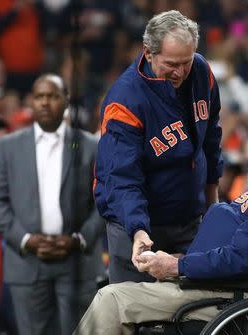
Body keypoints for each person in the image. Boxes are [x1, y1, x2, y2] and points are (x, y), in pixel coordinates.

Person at [74, 101, 248, 335]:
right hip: (217, 282)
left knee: (112, 299)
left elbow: (246, 257)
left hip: (232, 293)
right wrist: (181, 261)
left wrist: (177, 267)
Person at [94, 10, 224, 283]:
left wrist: (213, 202)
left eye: (185, 62)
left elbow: (211, 139)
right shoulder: (125, 100)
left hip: (189, 219)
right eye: (171, 64)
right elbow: (122, 177)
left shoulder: (201, 72)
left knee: (190, 312)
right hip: (137, 224)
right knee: (136, 313)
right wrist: (139, 231)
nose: (180, 72)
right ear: (148, 53)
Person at [0, 74, 106, 335]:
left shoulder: (90, 146)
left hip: (78, 261)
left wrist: (79, 239)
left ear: (66, 100)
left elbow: (103, 202)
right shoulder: (8, 147)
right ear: (31, 101)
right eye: (40, 96)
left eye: (53, 96)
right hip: (26, 262)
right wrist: (25, 239)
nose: (45, 102)